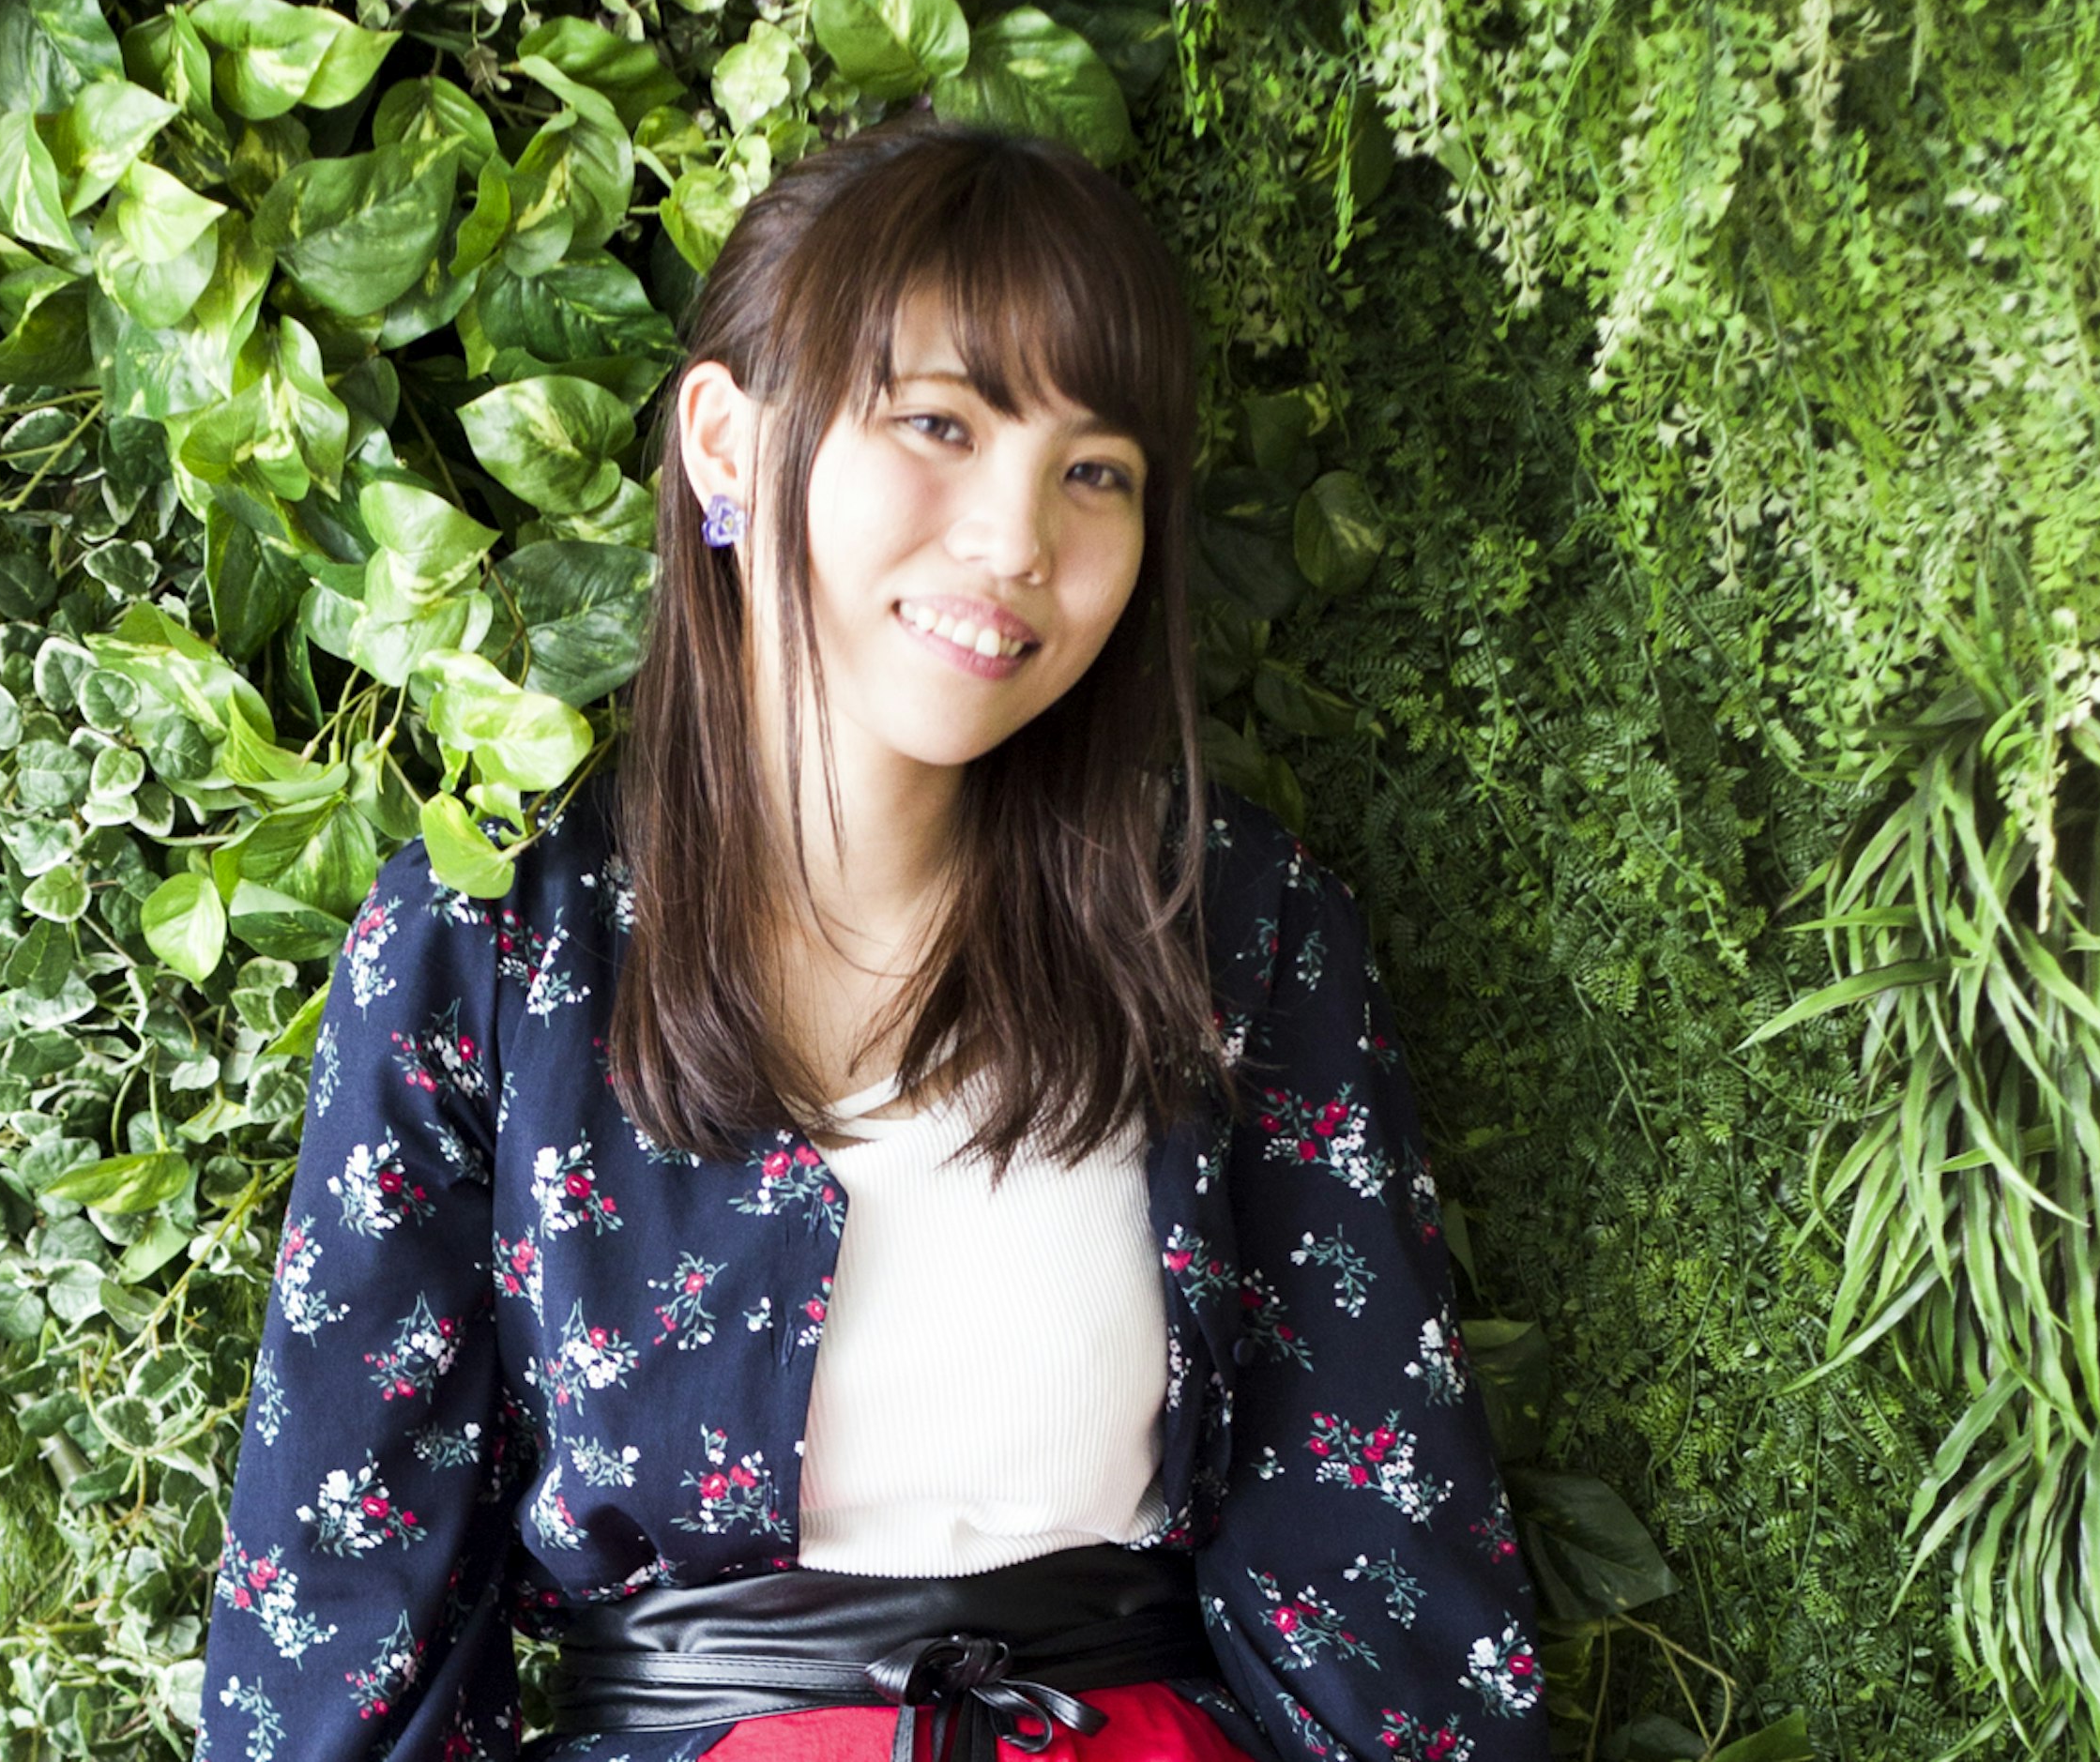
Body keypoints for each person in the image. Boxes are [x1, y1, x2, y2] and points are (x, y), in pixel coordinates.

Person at [196, 116, 1544, 1762]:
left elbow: (1388, 1564)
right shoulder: (493, 947)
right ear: (727, 447)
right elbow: (335, 1626)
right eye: (937, 424)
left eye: (1094, 470)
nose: (1016, 539)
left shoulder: (1226, 931)